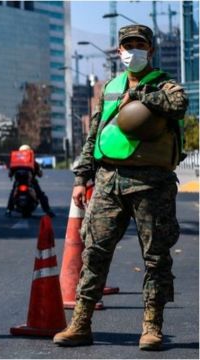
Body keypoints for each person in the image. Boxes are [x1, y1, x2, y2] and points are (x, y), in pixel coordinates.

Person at [53, 25, 188, 351]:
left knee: (155, 257)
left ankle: (152, 327)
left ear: (150, 50)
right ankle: (80, 324)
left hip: (151, 183)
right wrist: (81, 178)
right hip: (108, 180)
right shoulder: (111, 87)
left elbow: (179, 105)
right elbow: (94, 134)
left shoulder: (165, 84)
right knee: (93, 253)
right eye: (127, 45)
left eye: (139, 45)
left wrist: (140, 94)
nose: (132, 51)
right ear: (119, 51)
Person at [6, 144, 55, 218]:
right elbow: (40, 174)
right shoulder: (33, 162)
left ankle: (8, 210)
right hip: (31, 182)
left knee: (12, 193)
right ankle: (48, 210)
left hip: (18, 182)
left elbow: (10, 174)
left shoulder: (16, 162)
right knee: (41, 195)